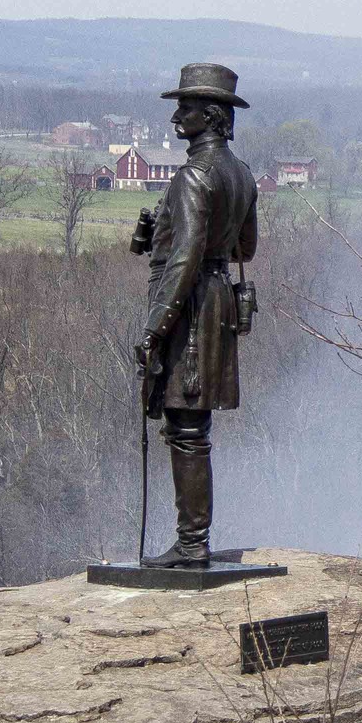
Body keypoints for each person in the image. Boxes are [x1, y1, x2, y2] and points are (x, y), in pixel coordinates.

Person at [133, 62, 258, 566]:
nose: (175, 117)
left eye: (184, 107)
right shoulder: (242, 174)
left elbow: (184, 259)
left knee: (185, 431)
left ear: (210, 115)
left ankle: (191, 544)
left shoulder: (193, 175)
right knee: (193, 431)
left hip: (188, 312)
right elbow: (244, 248)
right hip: (217, 304)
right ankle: (193, 541)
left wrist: (153, 326)